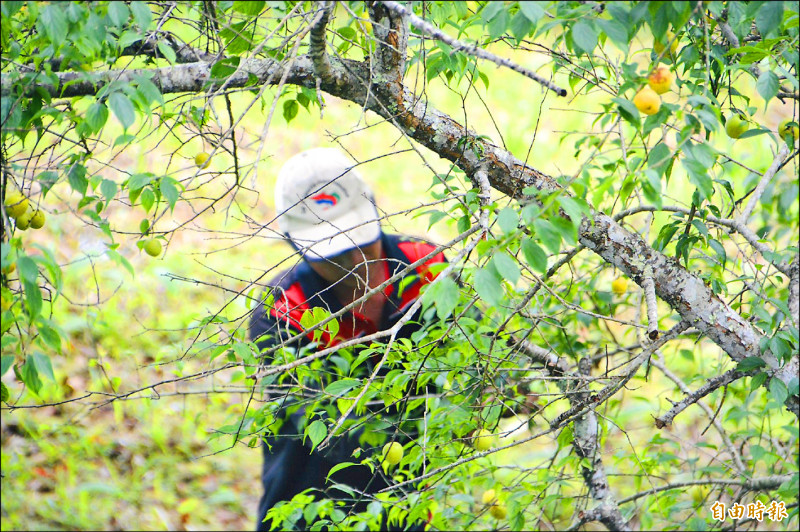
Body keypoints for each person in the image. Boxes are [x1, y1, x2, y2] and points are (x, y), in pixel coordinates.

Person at [249, 147, 445, 531]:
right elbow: (312, 423)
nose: (354, 262)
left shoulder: (428, 269)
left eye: (359, 242)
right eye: (334, 253)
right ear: (294, 244)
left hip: (415, 483)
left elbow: (485, 350)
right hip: (312, 487)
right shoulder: (284, 309)